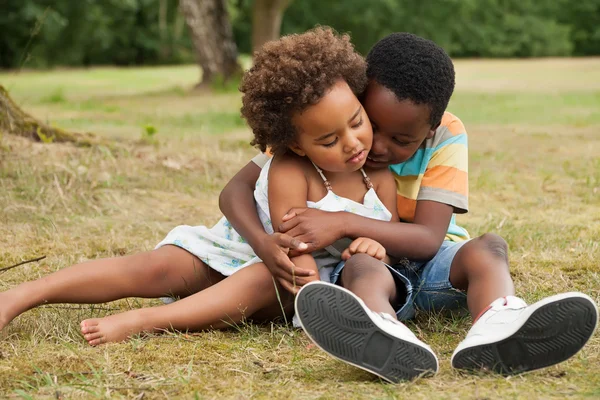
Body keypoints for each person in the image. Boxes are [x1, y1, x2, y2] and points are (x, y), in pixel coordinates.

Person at [0, 28, 426, 358]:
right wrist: (312, 300)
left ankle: (147, 321)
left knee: (266, 278)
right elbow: (291, 243)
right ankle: (21, 296)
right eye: (329, 140)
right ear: (294, 143)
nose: (353, 143)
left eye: (356, 121)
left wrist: (373, 248)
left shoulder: (380, 176)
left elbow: (383, 235)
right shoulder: (290, 168)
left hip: (279, 282)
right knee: (155, 268)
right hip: (248, 251)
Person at [219, 32, 598, 381]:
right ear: (359, 98)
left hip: (431, 267)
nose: (374, 145)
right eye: (370, 122)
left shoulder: (446, 134)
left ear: (429, 130)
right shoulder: (333, 125)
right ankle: (383, 334)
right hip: (367, 265)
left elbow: (429, 240)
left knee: (491, 246)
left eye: (401, 139)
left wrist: (342, 222)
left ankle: (497, 324)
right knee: (363, 265)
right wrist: (262, 242)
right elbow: (236, 189)